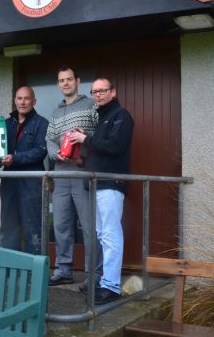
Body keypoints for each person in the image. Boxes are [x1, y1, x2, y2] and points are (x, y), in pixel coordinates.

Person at [69, 77, 134, 305]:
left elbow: (115, 147)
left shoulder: (121, 116)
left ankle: (111, 286)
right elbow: (99, 150)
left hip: (111, 184)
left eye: (102, 91)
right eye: (94, 91)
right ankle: (103, 281)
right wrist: (81, 155)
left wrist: (85, 138)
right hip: (96, 184)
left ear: (113, 92)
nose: (98, 95)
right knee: (100, 234)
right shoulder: (102, 119)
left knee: (110, 234)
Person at [46, 65, 103, 288]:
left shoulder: (91, 106)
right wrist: (55, 152)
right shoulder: (56, 112)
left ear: (78, 81)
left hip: (83, 173)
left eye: (69, 79)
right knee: (60, 225)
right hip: (61, 174)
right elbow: (50, 139)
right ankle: (64, 269)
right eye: (61, 80)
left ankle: (93, 274)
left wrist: (85, 143)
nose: (65, 84)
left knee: (89, 227)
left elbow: (100, 134)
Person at [0, 86, 49, 254]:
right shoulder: (6, 123)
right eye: (19, 98)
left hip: (31, 182)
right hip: (9, 181)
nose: (23, 102)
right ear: (15, 101)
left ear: (33, 101)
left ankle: (33, 270)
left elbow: (40, 151)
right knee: (8, 225)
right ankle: (9, 267)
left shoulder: (41, 123)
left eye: (27, 98)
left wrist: (14, 158)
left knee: (32, 226)